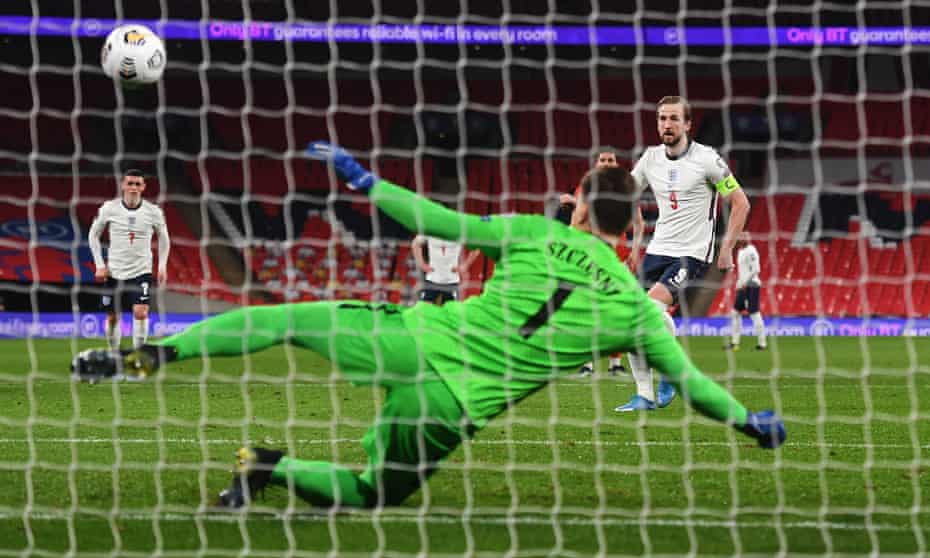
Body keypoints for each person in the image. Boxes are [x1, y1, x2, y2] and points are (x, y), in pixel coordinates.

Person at [71, 141, 785, 511]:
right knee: (371, 492)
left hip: (411, 338)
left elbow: (437, 221)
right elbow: (690, 384)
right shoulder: (635, 305)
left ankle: (158, 352)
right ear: (635, 224)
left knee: (283, 320)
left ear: (575, 208)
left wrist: (364, 181)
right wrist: (748, 421)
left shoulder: (531, 234)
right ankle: (269, 468)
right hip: (450, 410)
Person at [614, 96, 751, 413]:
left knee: (647, 310)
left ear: (688, 124)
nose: (667, 124)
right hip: (657, 249)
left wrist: (726, 247)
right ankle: (645, 396)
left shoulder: (708, 159)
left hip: (691, 255)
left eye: (674, 118)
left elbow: (741, 202)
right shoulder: (650, 159)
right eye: (662, 118)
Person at [556, 148, 644, 377]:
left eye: (610, 159)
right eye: (602, 159)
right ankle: (588, 364)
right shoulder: (587, 186)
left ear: (616, 163)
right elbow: (579, 219)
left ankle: (616, 364)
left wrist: (635, 251)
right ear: (596, 164)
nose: (606, 163)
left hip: (620, 258)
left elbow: (639, 222)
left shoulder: (625, 187)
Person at [88, 169, 170, 351]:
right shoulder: (109, 208)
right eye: (130, 183)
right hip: (114, 272)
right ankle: (114, 354)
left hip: (141, 271)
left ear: (143, 187)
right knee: (112, 317)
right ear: (123, 185)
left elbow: (164, 238)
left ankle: (138, 357)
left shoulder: (153, 211)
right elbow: (93, 235)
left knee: (140, 312)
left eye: (137, 184)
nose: (133, 187)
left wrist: (162, 266)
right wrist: (100, 265)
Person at [411, 234, 480, 305]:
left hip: (452, 281)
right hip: (432, 280)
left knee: (450, 312)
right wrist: (421, 264)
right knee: (425, 309)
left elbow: (476, 246)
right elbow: (415, 243)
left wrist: (465, 265)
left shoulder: (458, 230)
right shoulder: (431, 230)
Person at [727, 232, 767, 350]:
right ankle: (735, 343)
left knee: (754, 313)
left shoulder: (751, 251)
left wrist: (745, 282)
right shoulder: (740, 251)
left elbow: (756, 269)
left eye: (746, 237)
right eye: (741, 237)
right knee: (735, 313)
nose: (743, 239)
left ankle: (762, 343)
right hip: (743, 286)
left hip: (752, 285)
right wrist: (739, 283)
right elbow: (743, 270)